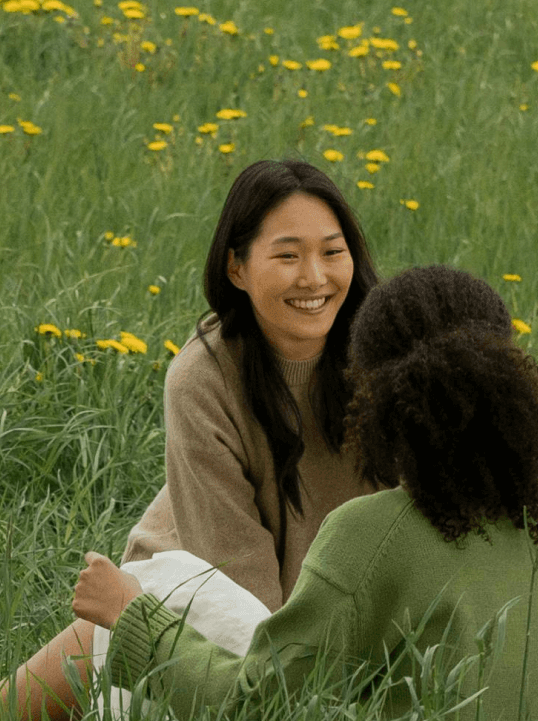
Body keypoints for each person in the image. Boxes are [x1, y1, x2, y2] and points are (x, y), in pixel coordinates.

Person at [0, 266, 538, 721]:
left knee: (156, 597)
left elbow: (257, 709)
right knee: (175, 593)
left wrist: (129, 618)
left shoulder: (376, 532)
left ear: (380, 397)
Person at [121, 158, 384, 612]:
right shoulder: (203, 381)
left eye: (332, 252)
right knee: (89, 642)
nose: (314, 278)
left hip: (344, 607)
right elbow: (238, 589)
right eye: (288, 256)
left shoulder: (391, 353)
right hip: (194, 593)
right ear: (236, 268)